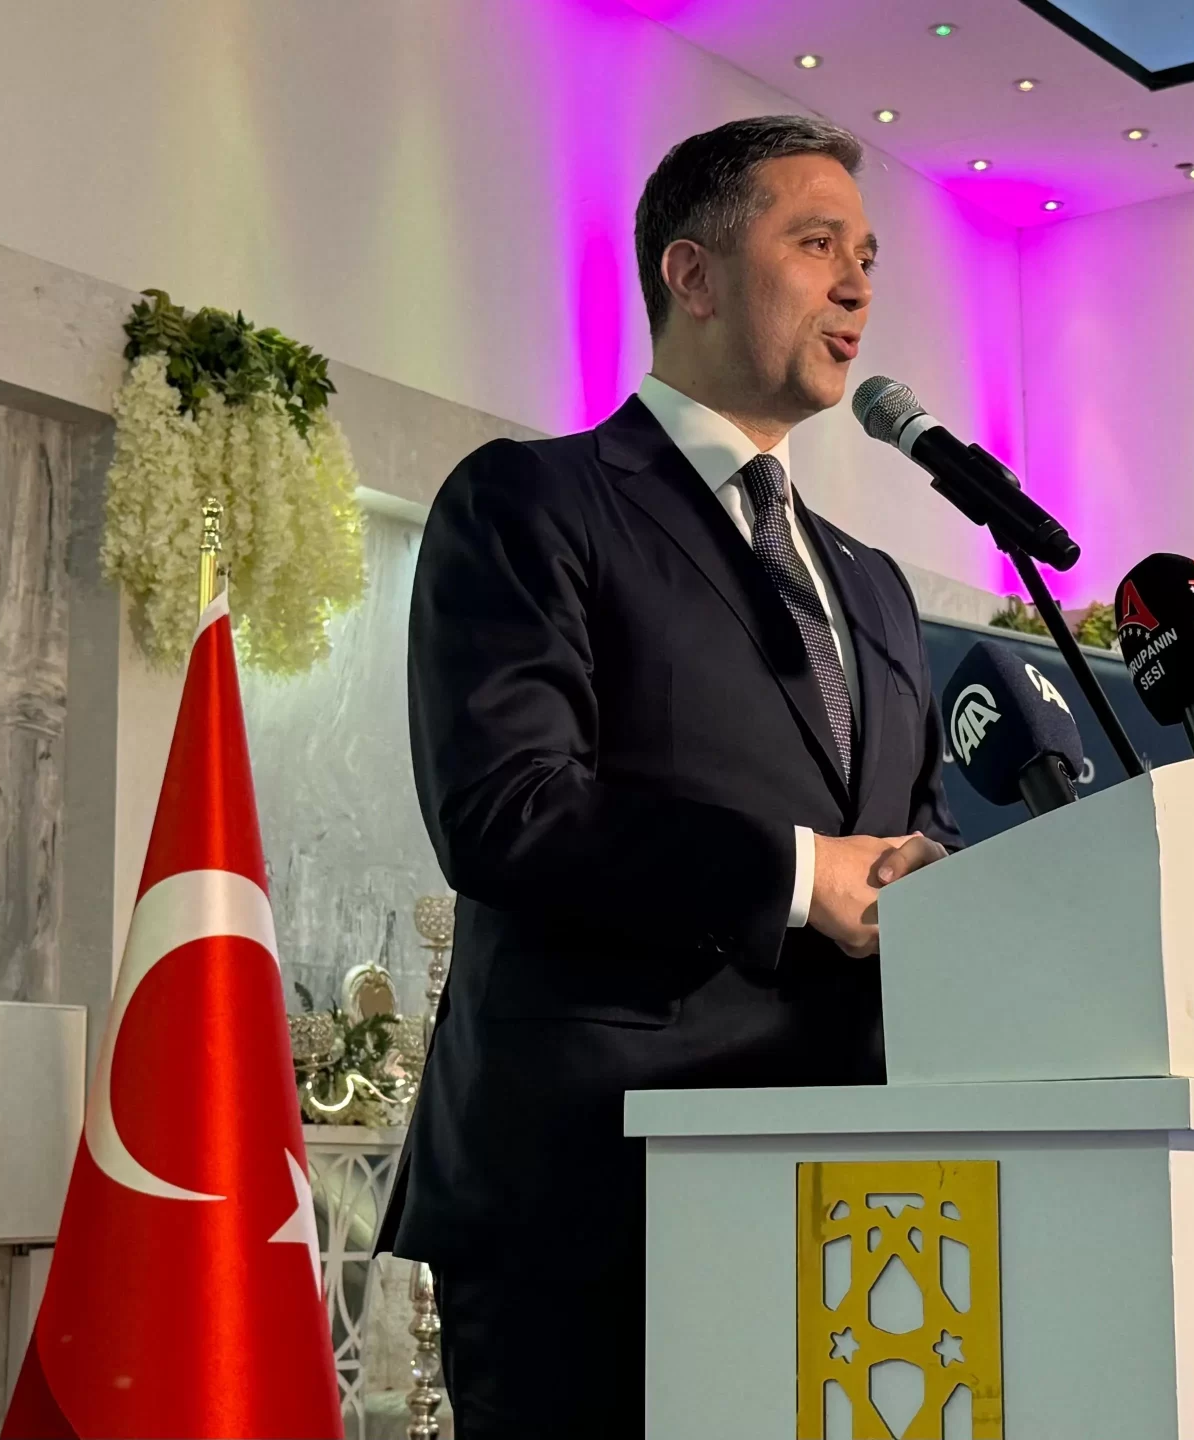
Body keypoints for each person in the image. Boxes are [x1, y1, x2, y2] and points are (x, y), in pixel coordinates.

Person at [381, 114, 960, 1436]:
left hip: (851, 1206)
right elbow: (506, 810)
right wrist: (797, 875)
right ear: (691, 274)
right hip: (594, 1199)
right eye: (816, 244)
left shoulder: (873, 585)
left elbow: (910, 827)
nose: (858, 287)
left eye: (868, 255)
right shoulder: (534, 502)